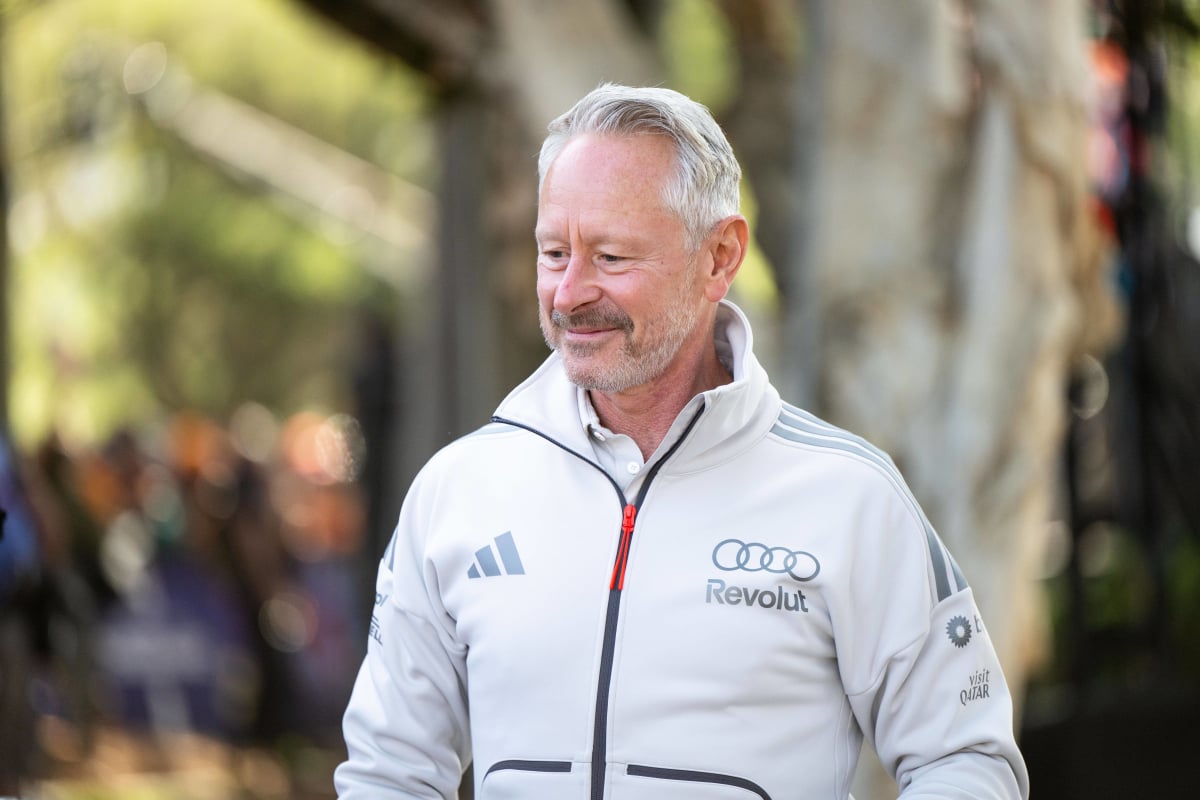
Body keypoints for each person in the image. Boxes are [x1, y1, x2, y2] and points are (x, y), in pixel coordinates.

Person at [335, 83, 1029, 800]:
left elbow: (966, 761)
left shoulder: (851, 498)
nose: (569, 292)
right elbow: (389, 773)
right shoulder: (457, 491)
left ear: (720, 256)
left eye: (610, 257)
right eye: (553, 252)